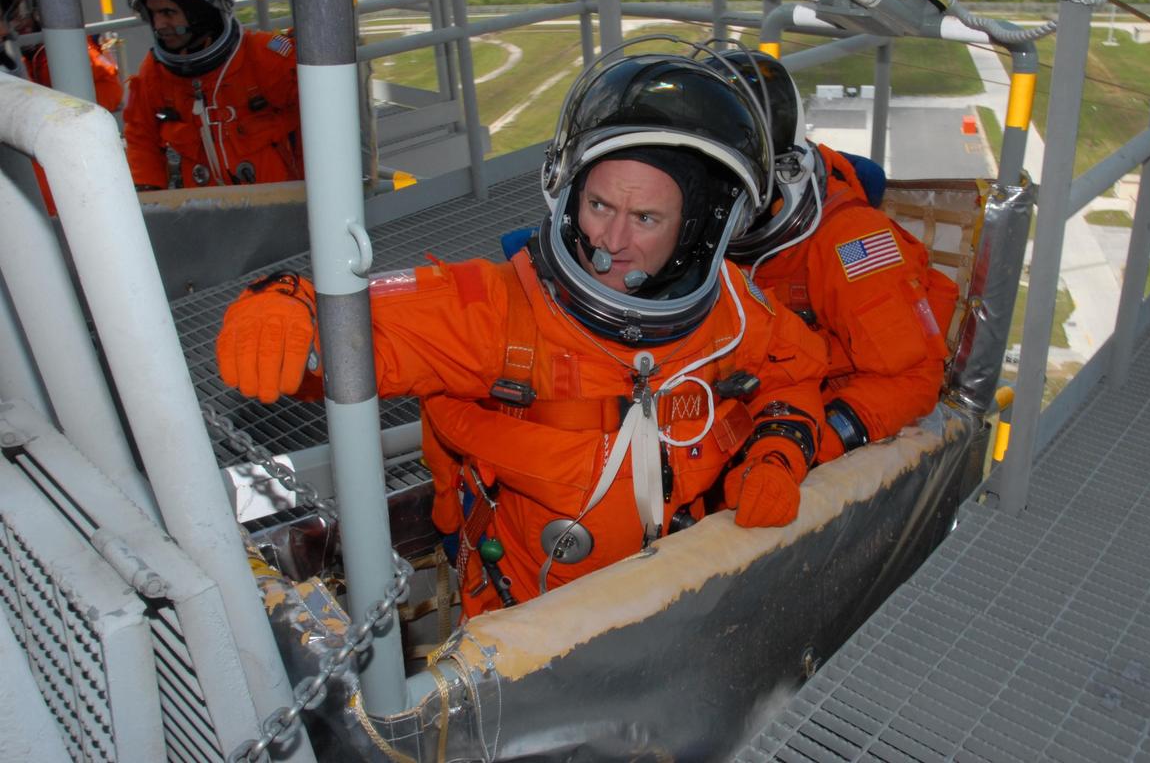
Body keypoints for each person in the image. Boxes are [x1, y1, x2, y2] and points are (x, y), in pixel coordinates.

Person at [216, 52, 828, 618]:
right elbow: (357, 335)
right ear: (569, 197)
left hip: (682, 595)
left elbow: (793, 375)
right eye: (598, 206)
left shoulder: (736, 317)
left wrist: (778, 453)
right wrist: (285, 303)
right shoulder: (497, 311)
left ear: (695, 230)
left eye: (645, 218)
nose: (611, 243)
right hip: (523, 627)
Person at [713, 50, 959, 462]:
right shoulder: (688, 229)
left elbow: (913, 378)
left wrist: (805, 442)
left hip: (813, 411)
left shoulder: (852, 242)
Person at [122, 0, 301, 190]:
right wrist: (149, 193)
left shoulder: (263, 55)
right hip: (204, 215)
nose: (159, 24)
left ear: (199, 13)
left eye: (168, 12)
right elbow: (141, 138)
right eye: (153, 14)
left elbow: (320, 119)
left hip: (281, 206)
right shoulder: (155, 73)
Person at [2, 0, 124, 213]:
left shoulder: (68, 49)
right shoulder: (18, 61)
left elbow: (110, 92)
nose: (11, 27)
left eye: (15, 14)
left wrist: (57, 107)